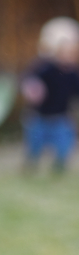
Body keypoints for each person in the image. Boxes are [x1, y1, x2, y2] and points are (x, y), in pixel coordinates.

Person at [20, 16, 79, 172]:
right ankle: (31, 165)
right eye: (64, 51)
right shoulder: (45, 69)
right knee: (35, 146)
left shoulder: (73, 74)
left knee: (65, 145)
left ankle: (59, 167)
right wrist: (32, 88)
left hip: (61, 117)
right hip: (39, 117)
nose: (69, 55)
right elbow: (30, 79)